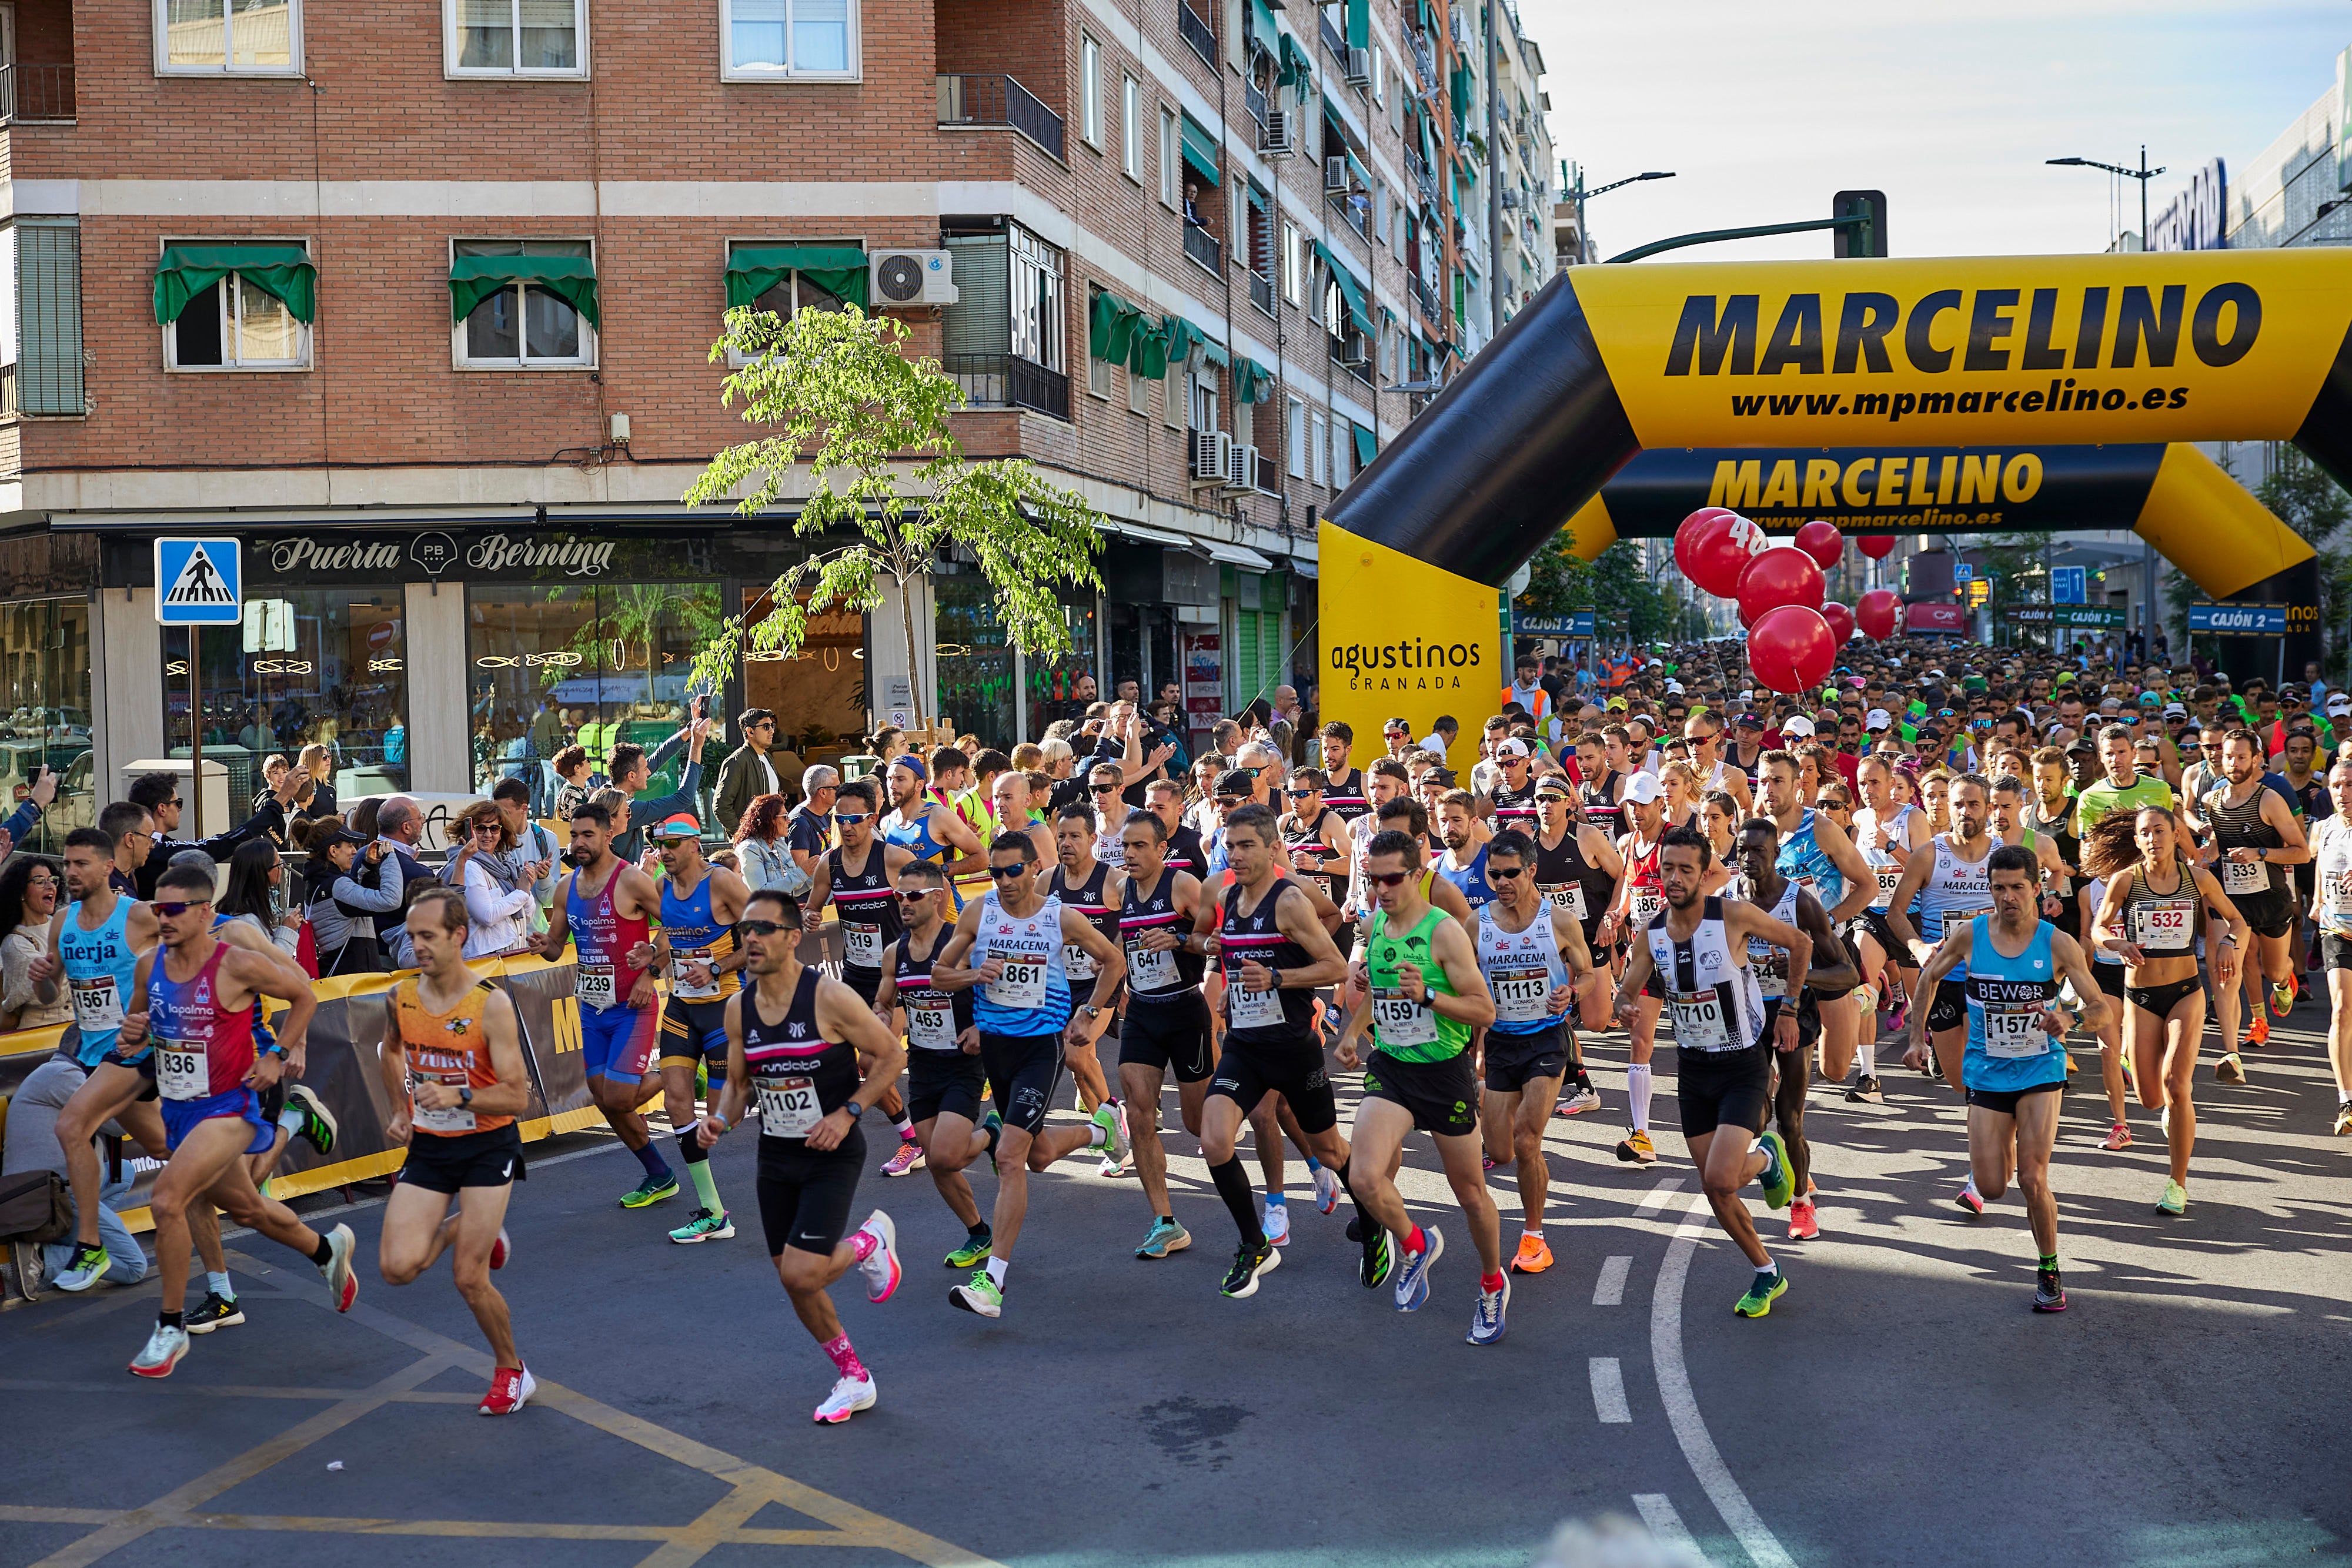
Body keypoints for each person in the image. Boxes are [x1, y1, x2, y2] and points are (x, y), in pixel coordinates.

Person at [117, 861, 353, 1378]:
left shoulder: (237, 962)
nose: (164, 918)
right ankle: (327, 1249)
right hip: (179, 1109)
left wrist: (280, 1053)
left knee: (167, 1198)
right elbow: (136, 1031)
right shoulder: (147, 965)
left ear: (205, 912)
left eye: (175, 909)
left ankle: (170, 1326)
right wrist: (131, 1035)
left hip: (231, 1107)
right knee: (248, 1209)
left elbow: (304, 993)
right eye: (158, 908)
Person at [689, 888, 904, 1423]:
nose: (752, 938)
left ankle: (869, 1242)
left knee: (802, 1275)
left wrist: (849, 1111)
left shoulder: (829, 998)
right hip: (776, 1156)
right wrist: (721, 1117)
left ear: (793, 936)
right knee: (792, 1275)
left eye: (764, 929)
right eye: (745, 930)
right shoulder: (739, 1007)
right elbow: (739, 1085)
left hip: (832, 1151)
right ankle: (854, 1376)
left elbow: (891, 1054)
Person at [926, 831, 1126, 1317]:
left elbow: (1114, 960)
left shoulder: (1060, 916)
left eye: (1013, 870)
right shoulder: (979, 912)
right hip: (996, 1048)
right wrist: (975, 977)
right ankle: (1100, 1129)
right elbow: (938, 973)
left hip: (1041, 1048)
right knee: (1035, 1156)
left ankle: (992, 1282)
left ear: (1035, 867)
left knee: (1011, 1157)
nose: (1004, 880)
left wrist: (1089, 1012)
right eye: (995, 871)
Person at [1611, 824, 1805, 1320]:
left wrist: (1789, 1008)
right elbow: (1629, 986)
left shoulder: (1732, 915)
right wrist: (1625, 1003)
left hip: (1742, 1065)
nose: (1673, 878)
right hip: (1693, 1069)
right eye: (1667, 868)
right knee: (1715, 1186)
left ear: (1704, 873)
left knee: (1720, 1178)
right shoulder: (1652, 931)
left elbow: (1800, 943)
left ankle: (1764, 1157)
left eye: (1685, 870)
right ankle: (1767, 1271)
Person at [1909, 845, 2110, 1313]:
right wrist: (1916, 1038)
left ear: (2037, 888)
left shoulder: (2057, 942)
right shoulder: (1970, 936)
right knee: (1993, 1184)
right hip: (1986, 1071)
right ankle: (1999, 1144)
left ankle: (2049, 1267)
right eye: (1999, 888)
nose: (2008, 897)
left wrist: (2070, 1020)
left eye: (2018, 887)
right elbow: (1929, 977)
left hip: (2040, 1069)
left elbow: (2101, 1008)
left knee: (2032, 1177)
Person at [1335, 828, 1505, 1336]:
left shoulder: (1444, 931)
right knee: (1363, 1178)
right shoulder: (1375, 925)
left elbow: (1485, 1010)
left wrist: (1430, 995)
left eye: (1391, 878)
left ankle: (1493, 1285)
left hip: (1443, 1073)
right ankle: (1414, 1244)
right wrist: (1352, 1033)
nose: (1381, 888)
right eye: (1373, 879)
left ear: (1416, 874)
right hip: (1392, 1067)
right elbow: (1380, 994)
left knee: (1471, 1193)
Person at [376, 887, 537, 1413]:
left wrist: (459, 1093)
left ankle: (513, 1370)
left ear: (458, 936)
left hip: (488, 1146)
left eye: (428, 936)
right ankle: (467, 1224)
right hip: (430, 1145)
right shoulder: (400, 997)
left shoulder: (489, 1004)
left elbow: (519, 1095)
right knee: (398, 1268)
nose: (417, 945)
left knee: (469, 1276)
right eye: (411, 935)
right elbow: (391, 1049)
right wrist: (401, 1109)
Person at [1187, 803, 1358, 1299]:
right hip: (1245, 1043)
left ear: (1270, 848)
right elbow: (1214, 945)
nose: (1235, 855)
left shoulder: (1289, 900)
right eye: (1230, 845)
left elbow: (1334, 966)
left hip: (1292, 1045)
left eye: (1246, 846)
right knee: (1214, 1139)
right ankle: (1254, 1242)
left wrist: (1280, 977)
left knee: (1328, 1147)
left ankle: (1372, 1217)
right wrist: (1218, 960)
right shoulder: (1224, 894)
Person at [2085, 808, 2249, 1217]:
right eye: (2146, 833)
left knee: (2178, 1084)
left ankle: (2178, 1183)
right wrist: (2116, 944)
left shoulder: (2198, 879)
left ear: (2176, 835)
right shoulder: (2126, 881)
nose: (2154, 838)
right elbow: (2098, 928)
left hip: (2185, 991)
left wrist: (2229, 941)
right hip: (2140, 996)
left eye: (2160, 830)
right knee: (2150, 1097)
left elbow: (2236, 919)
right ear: (2137, 841)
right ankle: (2166, 1106)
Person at [535, 801, 675, 1209]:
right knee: (604, 1098)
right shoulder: (565, 887)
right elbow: (557, 946)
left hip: (633, 1003)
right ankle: (659, 1174)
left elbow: (674, 922)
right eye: (573, 835)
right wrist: (545, 945)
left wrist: (650, 971)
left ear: (608, 835)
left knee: (618, 1098)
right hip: (592, 1008)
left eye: (586, 835)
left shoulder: (631, 879)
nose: (577, 843)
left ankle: (680, 1066)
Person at [1474, 828, 1601, 1276]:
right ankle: (1530, 1217)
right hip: (1501, 1041)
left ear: (1531, 870)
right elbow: (1462, 981)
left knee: (1529, 1139)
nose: (1502, 881)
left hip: (1547, 1038)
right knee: (1502, 1150)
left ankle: (1534, 1236)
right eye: (1494, 874)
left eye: (1511, 873)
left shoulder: (1559, 921)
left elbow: (1588, 973)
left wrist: (1572, 990)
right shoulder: (1479, 923)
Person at [1725, 816, 1857, 1243]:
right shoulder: (1726, 898)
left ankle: (1802, 1204)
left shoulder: (1799, 903)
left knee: (1790, 1120)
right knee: (1754, 1113)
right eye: (1742, 850)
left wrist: (1801, 974)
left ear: (1777, 855)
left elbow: (1846, 972)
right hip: (1747, 1016)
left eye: (1758, 851)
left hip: (1795, 1013)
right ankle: (1775, 1163)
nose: (1748, 859)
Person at [632, 812, 753, 1243]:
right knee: (678, 1105)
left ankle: (747, 1083)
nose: (664, 853)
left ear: (694, 844)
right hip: (682, 1008)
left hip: (725, 1007)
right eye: (660, 845)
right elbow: (669, 933)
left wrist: (717, 965)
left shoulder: (721, 883)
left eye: (672, 845)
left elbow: (763, 933)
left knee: (724, 1119)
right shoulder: (662, 887)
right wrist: (653, 955)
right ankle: (713, 1211)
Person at [803, 778, 926, 1176]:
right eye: (841, 818)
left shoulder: (893, 858)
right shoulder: (830, 862)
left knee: (876, 1061)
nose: (847, 825)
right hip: (855, 977)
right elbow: (813, 907)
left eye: (855, 818)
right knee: (848, 1060)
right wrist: (806, 917)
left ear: (872, 818)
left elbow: (931, 901)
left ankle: (912, 1139)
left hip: (896, 977)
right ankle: (912, 1137)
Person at [873, 861, 993, 1268]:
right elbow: (884, 1000)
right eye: (898, 895)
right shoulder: (896, 952)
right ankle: (978, 1232)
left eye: (913, 896)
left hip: (962, 1063)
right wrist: (878, 1019)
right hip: (923, 1066)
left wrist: (980, 1025)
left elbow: (996, 988)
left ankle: (991, 1135)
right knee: (938, 1159)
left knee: (945, 1156)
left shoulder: (960, 944)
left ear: (937, 897)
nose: (903, 903)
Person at [2186, 728, 2308, 1078]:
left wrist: (2261, 853)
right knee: (2227, 974)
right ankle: (2231, 1054)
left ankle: (2285, 983)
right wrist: (2204, 861)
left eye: (2242, 757)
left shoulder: (2269, 800)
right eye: (2229, 757)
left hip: (2270, 900)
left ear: (2257, 760)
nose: (2234, 763)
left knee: (2274, 970)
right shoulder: (2213, 800)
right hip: (2230, 903)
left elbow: (2301, 852)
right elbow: (2218, 846)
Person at [1044, 800, 1126, 1155]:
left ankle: (1112, 1113)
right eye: (1061, 836)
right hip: (1063, 983)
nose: (1066, 843)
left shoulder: (1112, 880)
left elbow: (1133, 919)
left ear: (1092, 838)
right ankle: (1108, 1134)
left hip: (1100, 981)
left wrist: (1114, 953)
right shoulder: (1047, 880)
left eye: (1075, 836)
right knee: (1079, 1068)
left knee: (1077, 1056)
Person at [126, 768, 299, 900]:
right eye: (177, 803)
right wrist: (280, 799)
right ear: (162, 809)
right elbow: (219, 845)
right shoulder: (157, 851)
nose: (181, 809)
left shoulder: (158, 847)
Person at [296, 816, 404, 975]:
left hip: (343, 974)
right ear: (333, 851)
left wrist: (370, 867)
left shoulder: (320, 881)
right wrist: (389, 857)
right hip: (350, 981)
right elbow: (390, 900)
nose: (355, 851)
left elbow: (362, 905)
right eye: (350, 845)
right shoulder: (336, 886)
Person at [2308, 758, 2352, 1136]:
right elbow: (2321, 864)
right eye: (2337, 786)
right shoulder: (2324, 829)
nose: (2344, 793)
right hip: (2337, 931)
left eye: (2351, 785)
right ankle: (2346, 1099)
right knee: (2341, 1010)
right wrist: (2318, 899)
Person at [608, 720, 711, 865]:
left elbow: (658, 758)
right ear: (631, 776)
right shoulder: (628, 810)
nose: (650, 771)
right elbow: (685, 798)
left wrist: (690, 728)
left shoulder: (608, 791)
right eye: (645, 769)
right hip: (624, 883)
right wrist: (697, 746)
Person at [444, 801, 534, 957]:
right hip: (486, 963)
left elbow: (527, 916)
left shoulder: (505, 867)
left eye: (494, 828)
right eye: (481, 828)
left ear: (501, 833)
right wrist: (521, 893)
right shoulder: (470, 866)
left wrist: (527, 889)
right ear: (469, 832)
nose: (488, 835)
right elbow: (487, 916)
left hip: (513, 959)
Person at [1, 855, 70, 1030]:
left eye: (52, 880)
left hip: (75, 1026)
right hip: (42, 1034)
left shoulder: (62, 924)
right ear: (22, 893)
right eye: (40, 882)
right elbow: (51, 994)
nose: (50, 886)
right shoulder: (15, 943)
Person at [713, 707, 803, 834]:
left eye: (772, 726)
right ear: (750, 731)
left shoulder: (768, 758)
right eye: (766, 726)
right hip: (751, 843)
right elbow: (721, 806)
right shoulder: (737, 761)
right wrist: (742, 834)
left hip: (772, 838)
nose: (772, 731)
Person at [733, 793, 803, 894]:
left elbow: (794, 890)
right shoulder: (749, 850)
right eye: (785, 816)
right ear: (770, 819)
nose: (789, 821)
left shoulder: (779, 843)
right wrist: (802, 874)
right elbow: (760, 893)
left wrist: (819, 871)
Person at [552, 745, 593, 821]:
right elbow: (585, 821)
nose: (590, 764)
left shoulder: (577, 791)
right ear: (577, 768)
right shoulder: (570, 793)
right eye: (587, 760)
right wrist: (594, 798)